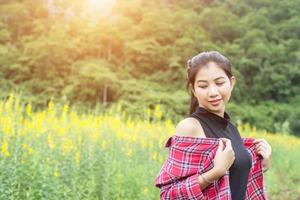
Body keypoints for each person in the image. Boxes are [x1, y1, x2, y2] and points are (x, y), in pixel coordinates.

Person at [154, 51, 272, 200]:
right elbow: (168, 195)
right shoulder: (190, 127)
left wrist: (263, 161)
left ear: (232, 83)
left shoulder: (231, 128)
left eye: (219, 83)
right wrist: (215, 172)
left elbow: (237, 179)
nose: (213, 92)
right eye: (203, 86)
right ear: (193, 90)